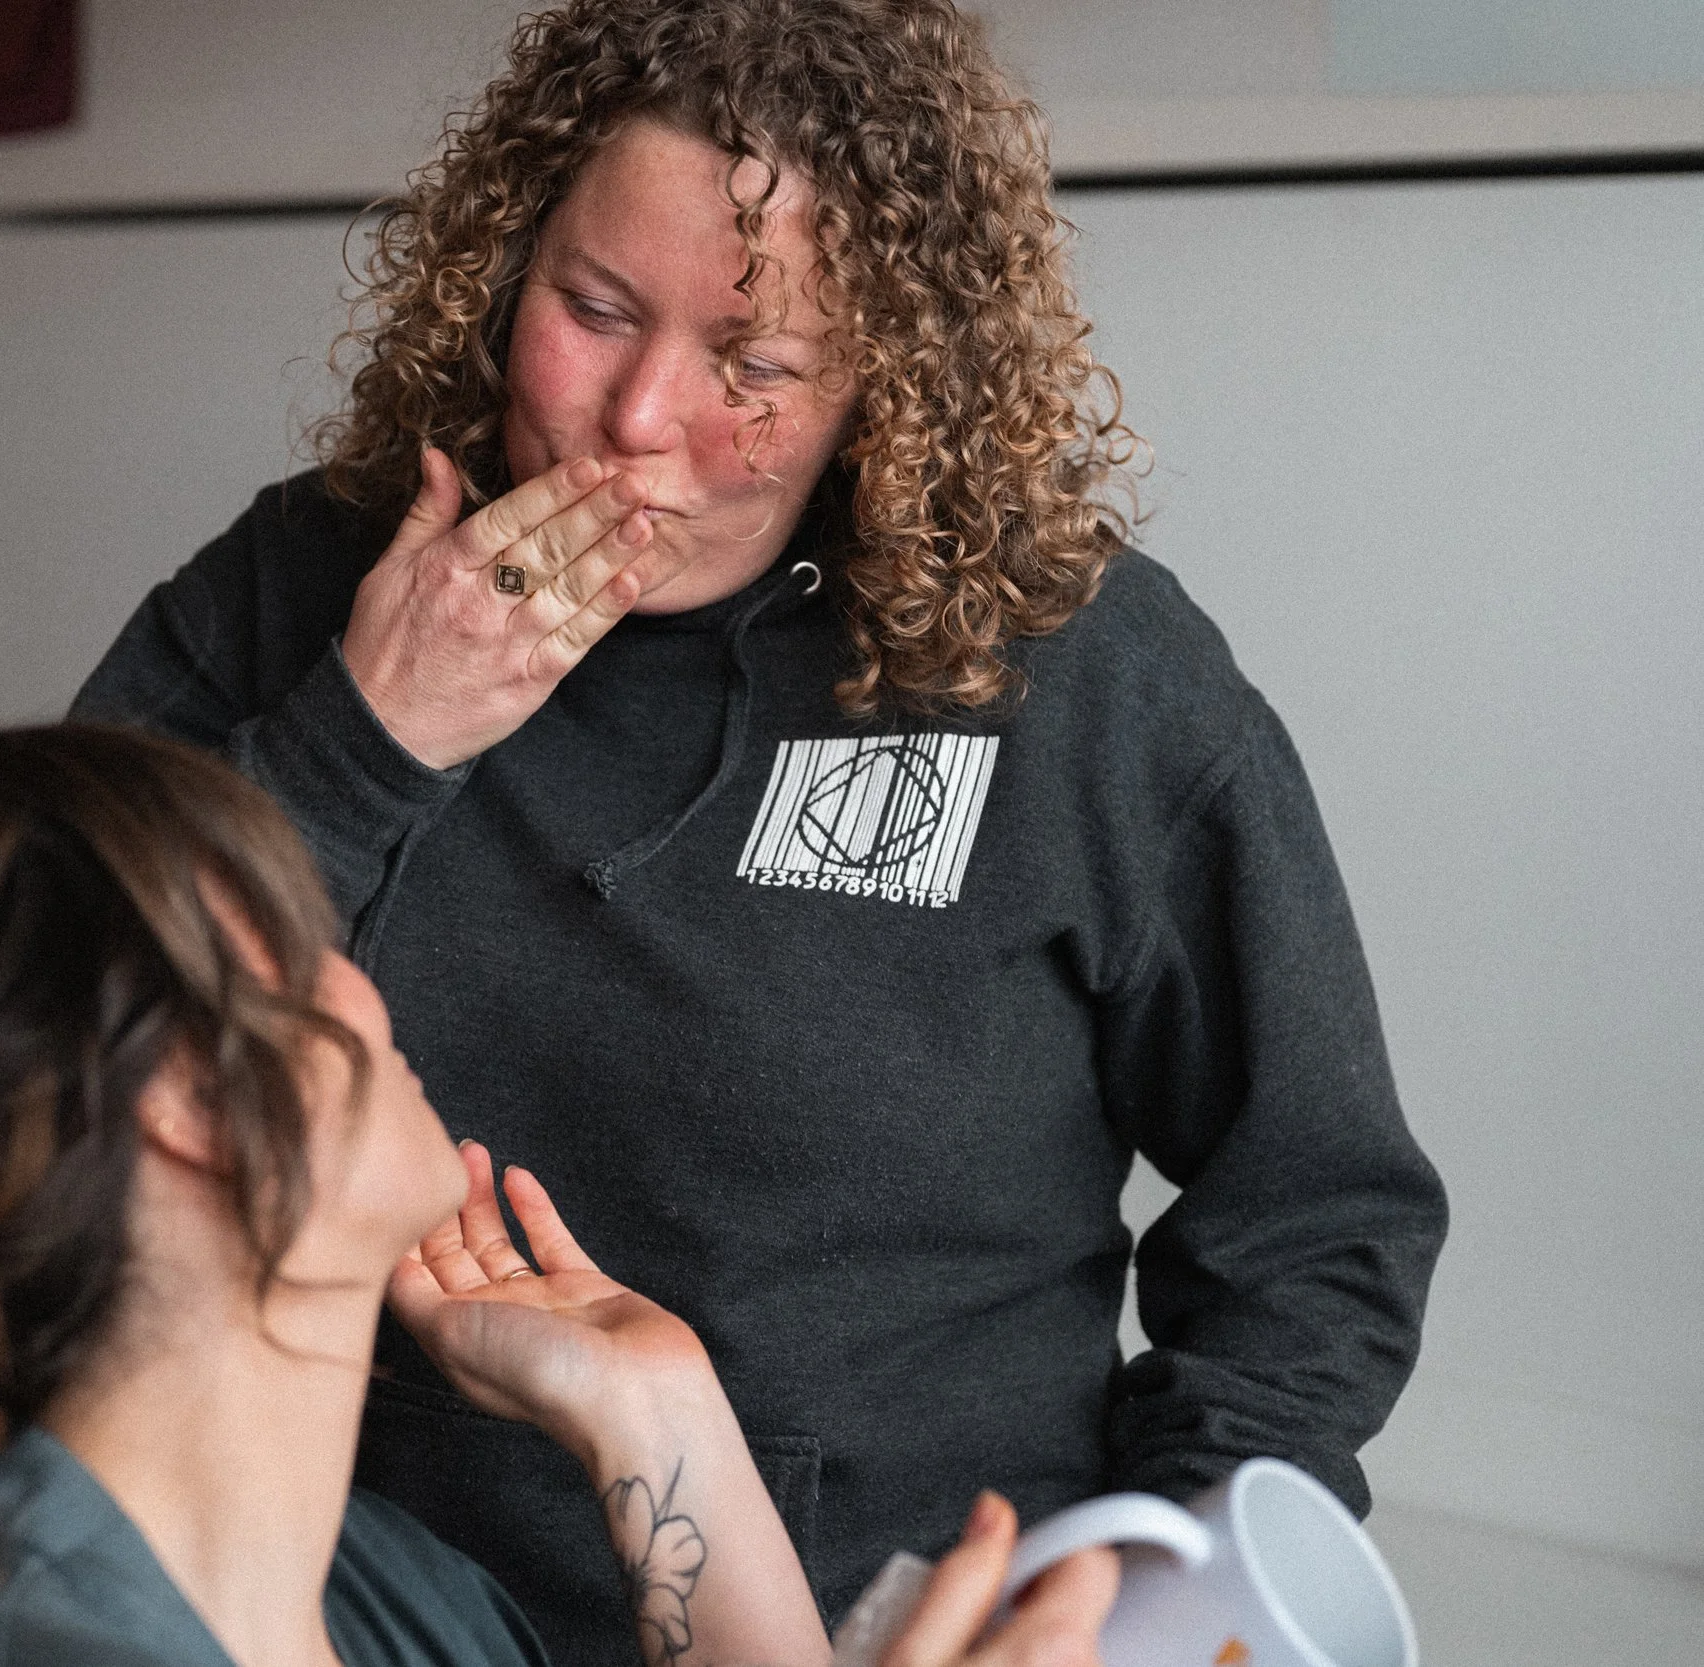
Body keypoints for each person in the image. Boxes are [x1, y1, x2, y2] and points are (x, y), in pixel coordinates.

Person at [70, 1, 1449, 1661]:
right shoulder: (304, 587)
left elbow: (1318, 1210)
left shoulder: (1082, 677)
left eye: (754, 364)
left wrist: (1159, 1584)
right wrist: (371, 740)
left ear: (887, 381)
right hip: (339, 1602)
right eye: (590, 309)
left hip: (877, 1623)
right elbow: (25, 1050)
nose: (639, 417)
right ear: (502, 269)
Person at [0, 725, 1117, 1667]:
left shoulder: (388, 1599)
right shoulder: (41, 1648)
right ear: (188, 1096)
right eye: (296, 944)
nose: (366, 988)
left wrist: (656, 1417)